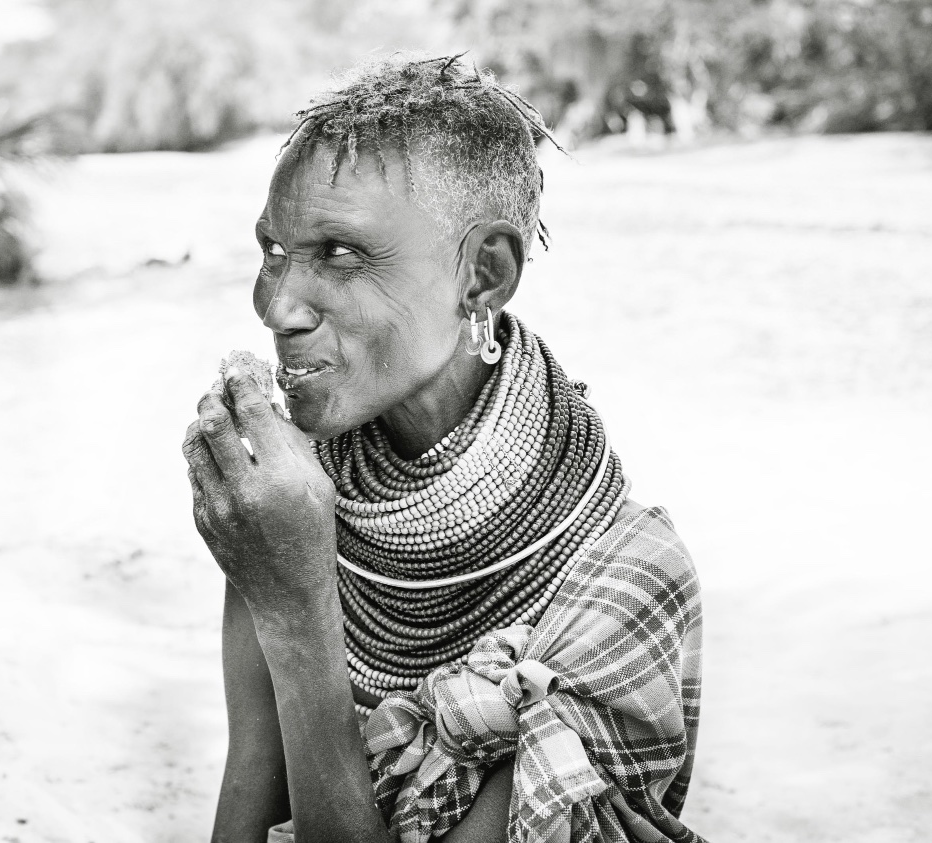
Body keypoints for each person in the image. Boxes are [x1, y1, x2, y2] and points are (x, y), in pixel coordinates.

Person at [182, 54, 704, 843]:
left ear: (483, 276)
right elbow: (248, 806)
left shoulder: (623, 585)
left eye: (341, 253)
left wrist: (297, 613)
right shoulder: (290, 500)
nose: (277, 306)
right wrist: (281, 577)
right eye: (274, 249)